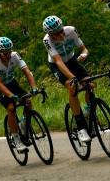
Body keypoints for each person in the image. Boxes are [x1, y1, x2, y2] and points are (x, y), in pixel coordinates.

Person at [42, 15, 91, 144]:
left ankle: (88, 112)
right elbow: (58, 62)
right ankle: (80, 127)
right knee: (72, 87)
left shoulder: (71, 30)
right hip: (57, 66)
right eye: (54, 34)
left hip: (72, 60)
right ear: (49, 34)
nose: (58, 35)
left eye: (60, 31)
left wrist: (85, 54)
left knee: (89, 84)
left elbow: (84, 48)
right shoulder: (47, 40)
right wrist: (73, 77)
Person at [0, 36, 39, 153]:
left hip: (11, 82)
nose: (8, 55)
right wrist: (11, 95)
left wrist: (34, 87)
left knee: (27, 101)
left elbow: (27, 71)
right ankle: (16, 138)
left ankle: (23, 124)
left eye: (9, 52)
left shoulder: (15, 55)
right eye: (4, 53)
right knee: (11, 108)